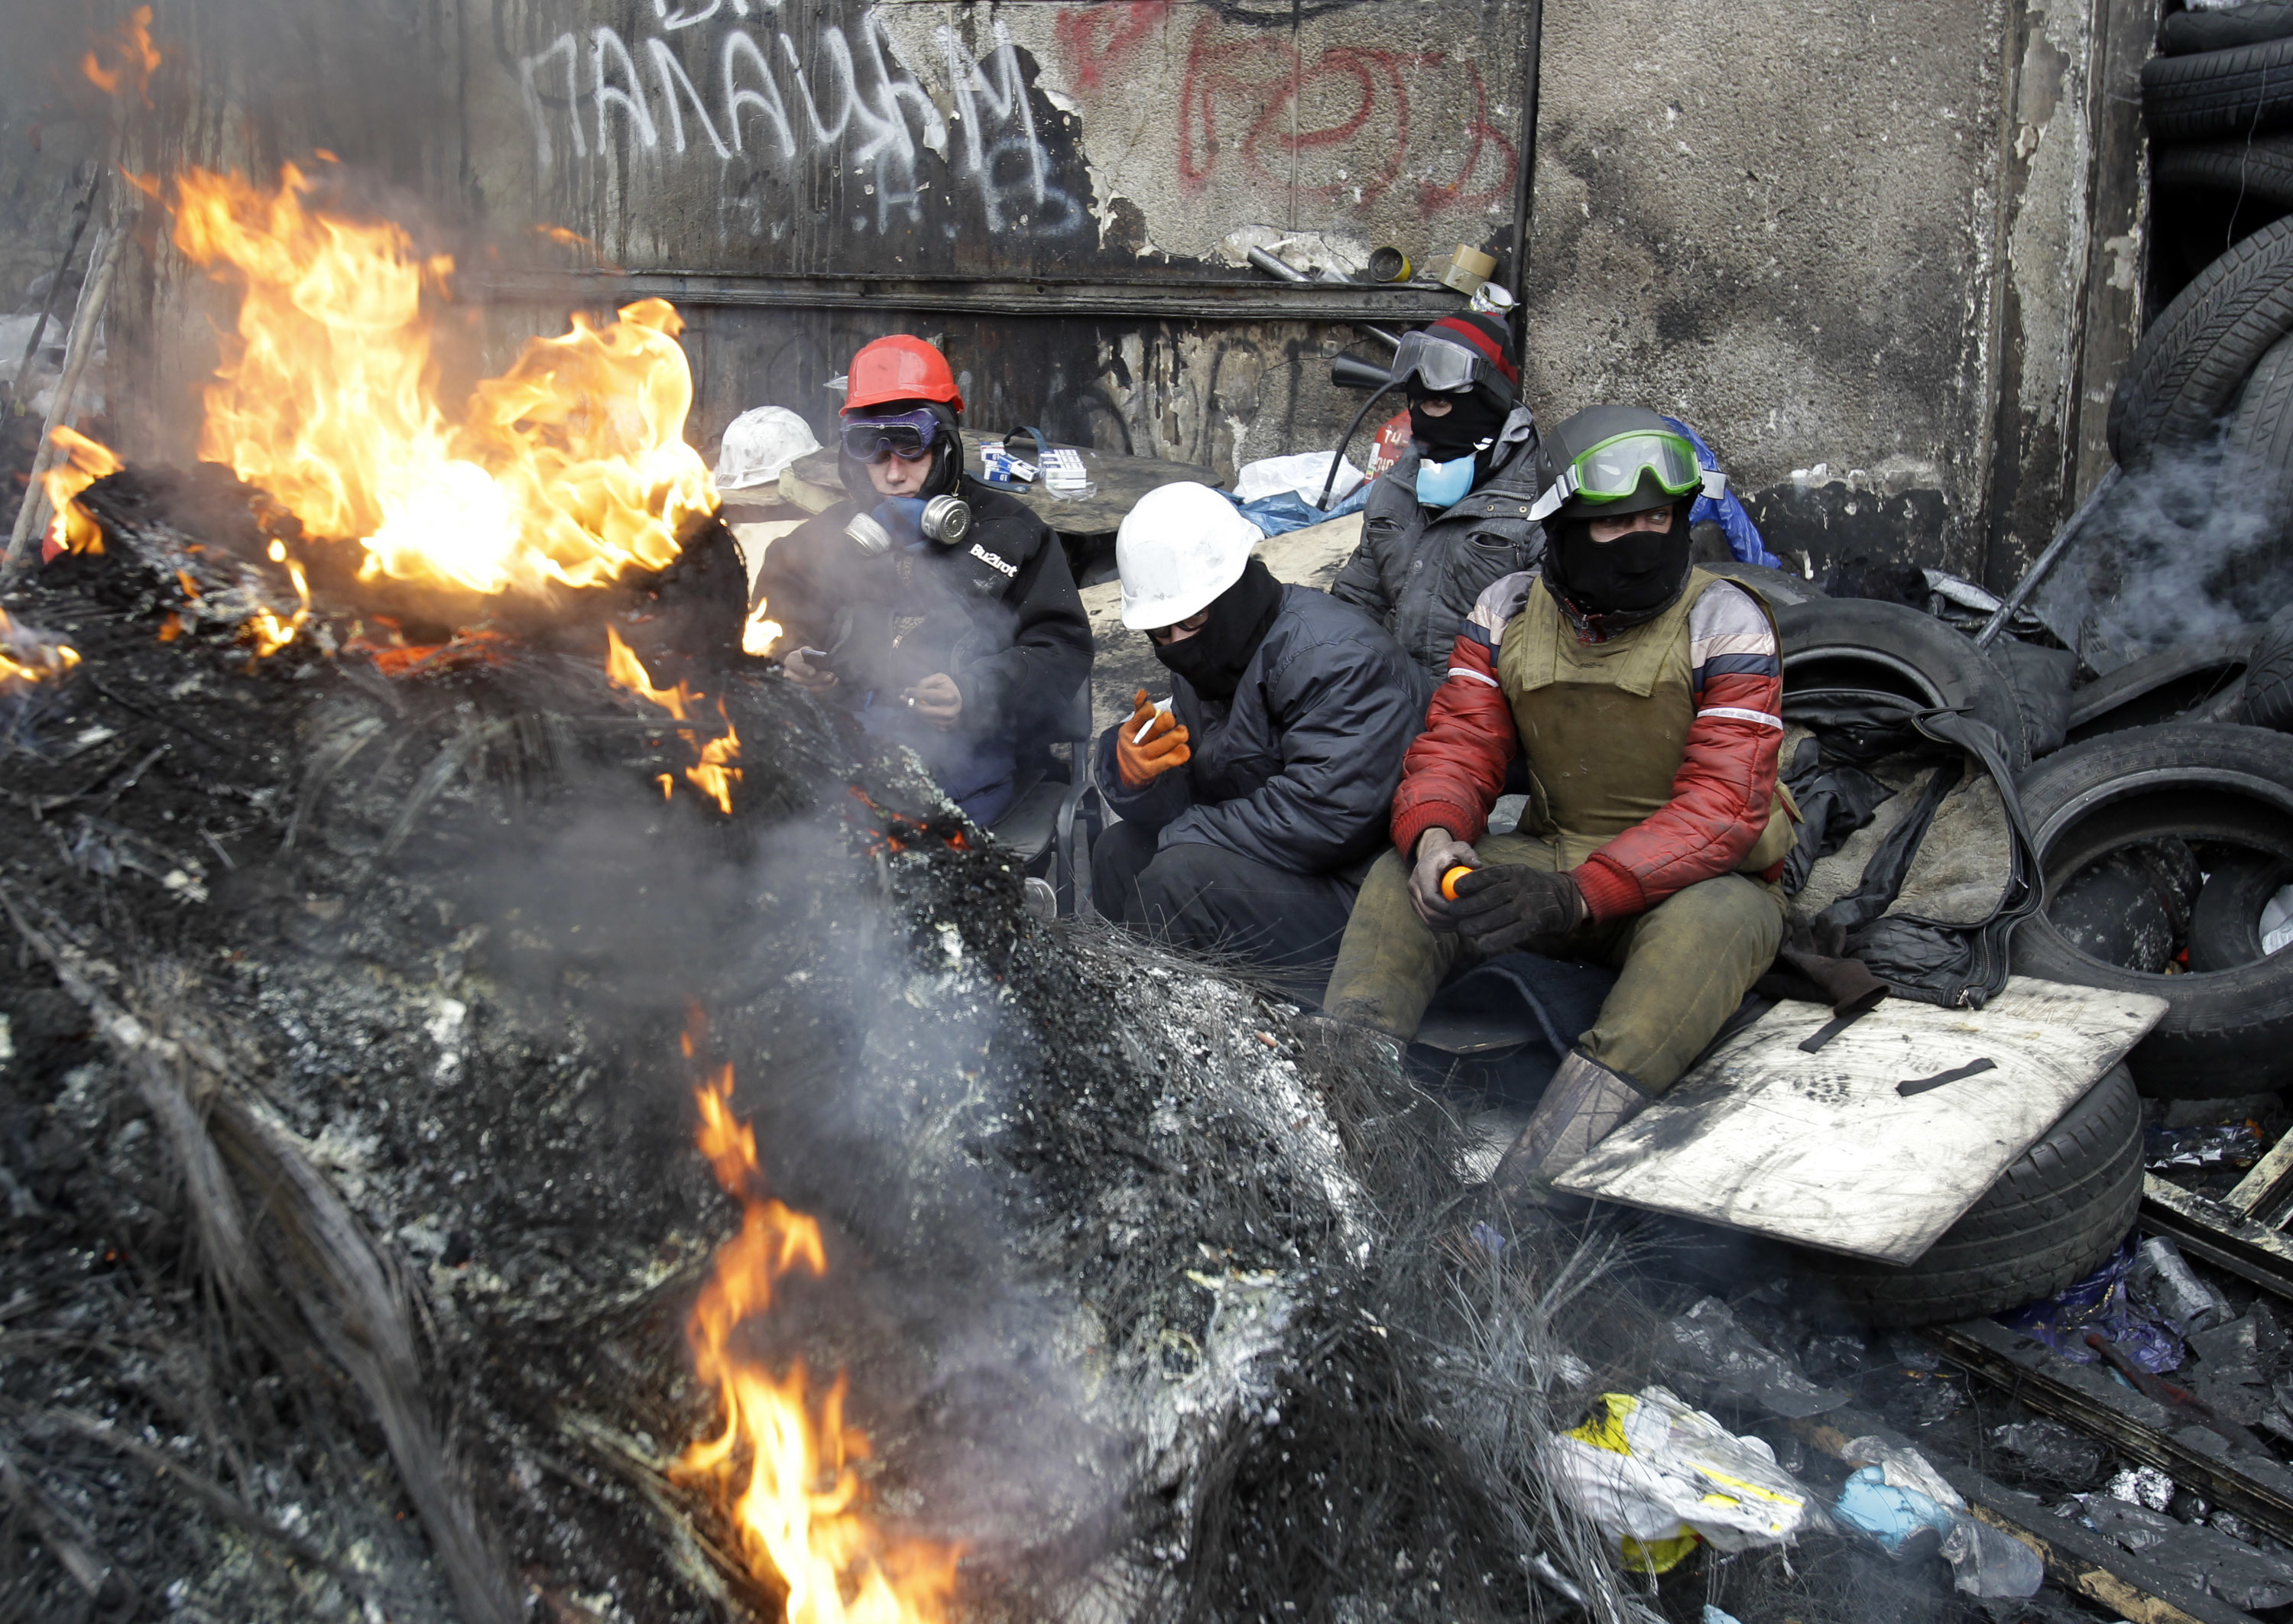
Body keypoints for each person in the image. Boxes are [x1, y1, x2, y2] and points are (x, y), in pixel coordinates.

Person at [1318, 406, 1796, 1216]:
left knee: (1711, 927)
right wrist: (1436, 835)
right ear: (1562, 527)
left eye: (1660, 518)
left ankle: (1518, 1204)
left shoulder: (1727, 620)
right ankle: (1339, 1120)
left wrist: (1581, 895)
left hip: (1706, 881)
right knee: (1400, 881)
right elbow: (1460, 744)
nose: (1645, 539)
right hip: (1557, 855)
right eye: (1615, 524)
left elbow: (1723, 809)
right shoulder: (1505, 608)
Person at [1092, 481, 1419, 1000]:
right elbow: (1202, 782)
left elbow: (1324, 818)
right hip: (1273, 863)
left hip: (1358, 896)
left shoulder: (1332, 657)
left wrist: (1186, 830)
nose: (1176, 645)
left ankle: (1168, 1023)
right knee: (1118, 851)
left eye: (1191, 622)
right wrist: (1134, 775)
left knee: (1177, 879)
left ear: (1233, 592)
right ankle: (1144, 1004)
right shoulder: (1212, 657)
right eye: (1160, 634)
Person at [753, 335, 1091, 828]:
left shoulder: (1013, 535)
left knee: (913, 864)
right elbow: (773, 618)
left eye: (910, 448)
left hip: (964, 773)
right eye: (874, 450)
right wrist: (792, 657)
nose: (892, 474)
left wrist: (974, 692)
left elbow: (1061, 649)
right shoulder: (824, 540)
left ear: (945, 443)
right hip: (844, 760)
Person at [1329, 310, 1545, 713]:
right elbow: (1357, 601)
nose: (1424, 420)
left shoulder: (1543, 502)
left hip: (1484, 721)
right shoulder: (1394, 490)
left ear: (1489, 404)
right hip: (1390, 705)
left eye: (1441, 403)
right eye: (1417, 404)